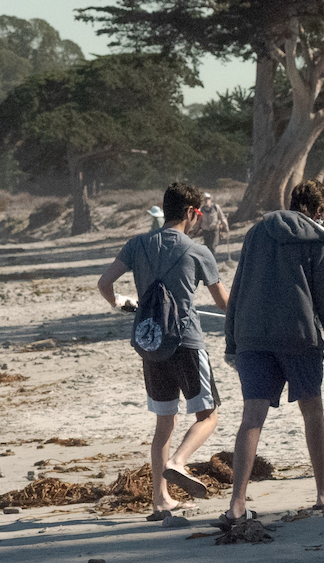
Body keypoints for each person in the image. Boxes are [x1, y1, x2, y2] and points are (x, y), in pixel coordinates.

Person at [220, 179, 324, 526]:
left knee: (252, 418)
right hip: (298, 337)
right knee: (312, 411)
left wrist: (231, 341)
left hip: (251, 335)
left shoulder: (256, 231)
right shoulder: (320, 239)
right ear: (319, 211)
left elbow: (238, 287)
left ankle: (236, 504)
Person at [98, 182, 230, 519]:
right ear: (190, 213)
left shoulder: (137, 244)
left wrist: (124, 304)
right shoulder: (198, 251)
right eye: (197, 214)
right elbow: (223, 303)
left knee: (163, 424)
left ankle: (161, 499)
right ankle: (179, 461)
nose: (198, 219)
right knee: (208, 415)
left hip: (151, 343)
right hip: (186, 342)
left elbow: (104, 284)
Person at [196, 192, 229, 260]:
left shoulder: (216, 207)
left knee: (213, 246)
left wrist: (226, 227)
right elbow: (198, 221)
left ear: (211, 199)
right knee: (207, 247)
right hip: (205, 231)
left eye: (208, 199)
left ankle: (213, 261)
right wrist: (195, 230)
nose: (206, 201)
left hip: (214, 230)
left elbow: (222, 217)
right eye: (205, 199)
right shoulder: (201, 210)